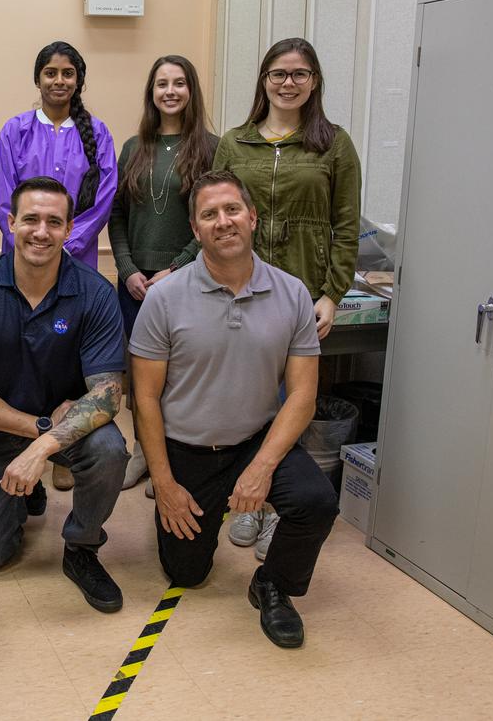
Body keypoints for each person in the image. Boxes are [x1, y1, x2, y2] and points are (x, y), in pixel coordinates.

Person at [129, 170, 339, 648]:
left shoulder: (292, 294)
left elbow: (302, 395)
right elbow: (144, 399)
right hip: (187, 449)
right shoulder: (163, 298)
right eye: (209, 215)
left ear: (252, 217)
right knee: (187, 574)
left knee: (315, 501)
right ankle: (186, 514)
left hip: (254, 441)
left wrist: (263, 468)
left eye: (231, 210)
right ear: (196, 229)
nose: (223, 222)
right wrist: (164, 484)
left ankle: (274, 584)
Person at [0, 176, 128, 613]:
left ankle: (82, 546)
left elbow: (108, 395)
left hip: (66, 432)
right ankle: (29, 493)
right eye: (30, 220)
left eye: (53, 222)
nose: (41, 232)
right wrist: (41, 429)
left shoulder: (94, 292)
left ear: (69, 230)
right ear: (10, 224)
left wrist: (43, 446)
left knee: (110, 449)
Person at [212, 37, 361, 554]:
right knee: (244, 398)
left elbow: (346, 226)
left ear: (314, 81)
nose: (288, 82)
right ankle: (245, 499)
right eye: (278, 73)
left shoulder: (334, 144)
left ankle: (278, 508)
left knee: (291, 402)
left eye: (299, 74)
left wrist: (333, 294)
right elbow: (215, 216)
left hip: (300, 294)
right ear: (264, 80)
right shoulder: (235, 143)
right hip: (239, 289)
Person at [0, 41, 117, 494]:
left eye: (68, 73)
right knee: (22, 353)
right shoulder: (16, 130)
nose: (59, 81)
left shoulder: (97, 132)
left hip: (76, 257)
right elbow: (5, 196)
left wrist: (71, 239)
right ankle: (21, 439)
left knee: (66, 353)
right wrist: (28, 244)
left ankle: (65, 449)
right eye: (50, 72)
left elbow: (106, 192)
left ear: (78, 80)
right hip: (24, 257)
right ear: (38, 78)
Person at [107, 55, 219, 493]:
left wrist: (177, 268)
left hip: (187, 279)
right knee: (140, 374)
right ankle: (142, 453)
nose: (169, 91)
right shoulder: (134, 147)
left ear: (191, 90)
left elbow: (209, 220)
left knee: (180, 374)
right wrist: (128, 269)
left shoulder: (211, 147)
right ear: (151, 93)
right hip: (135, 284)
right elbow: (116, 216)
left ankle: (169, 459)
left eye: (178, 83)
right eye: (161, 84)